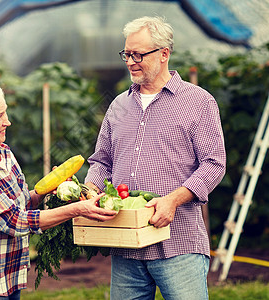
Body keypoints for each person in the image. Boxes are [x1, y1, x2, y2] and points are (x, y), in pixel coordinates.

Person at [85, 16, 226, 300]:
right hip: (125, 242)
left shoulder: (198, 101)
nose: (131, 61)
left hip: (179, 242)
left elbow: (214, 164)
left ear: (164, 53)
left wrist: (173, 200)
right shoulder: (119, 105)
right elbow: (101, 161)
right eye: (127, 54)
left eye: (139, 54)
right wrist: (91, 189)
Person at [0, 81, 117, 300]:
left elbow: (20, 204)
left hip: (9, 276)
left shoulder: (3, 153)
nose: (7, 122)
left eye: (5, 113)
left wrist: (47, 189)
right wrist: (78, 209)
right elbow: (16, 221)